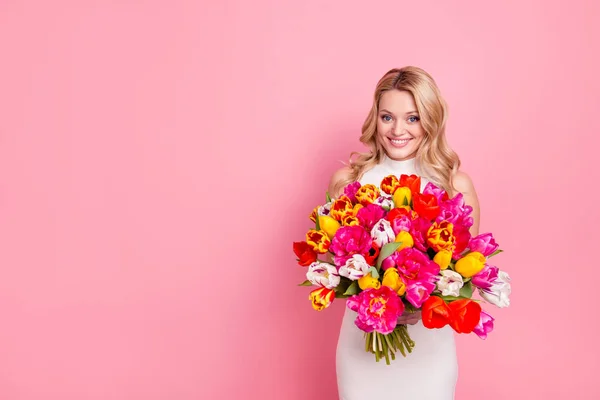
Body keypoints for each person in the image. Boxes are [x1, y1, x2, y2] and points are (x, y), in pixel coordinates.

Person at [329, 66, 481, 400]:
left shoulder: (454, 186)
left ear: (431, 119)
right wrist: (370, 288)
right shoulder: (347, 181)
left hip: (429, 351)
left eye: (412, 118)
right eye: (388, 117)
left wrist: (420, 302)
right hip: (360, 351)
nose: (398, 130)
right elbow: (331, 264)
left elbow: (465, 276)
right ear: (375, 118)